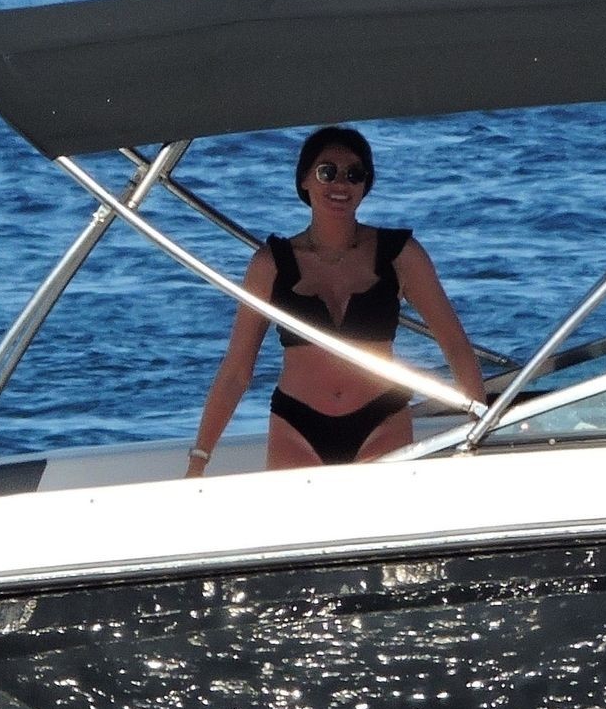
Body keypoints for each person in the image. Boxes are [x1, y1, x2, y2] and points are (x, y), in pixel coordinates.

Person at [184, 127, 485, 478]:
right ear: (304, 180)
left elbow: (454, 345)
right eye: (327, 172)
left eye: (354, 174)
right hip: (296, 424)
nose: (341, 183)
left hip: (381, 418)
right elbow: (237, 370)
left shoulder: (401, 255)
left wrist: (479, 429)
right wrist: (198, 460)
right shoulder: (270, 264)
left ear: (366, 184)